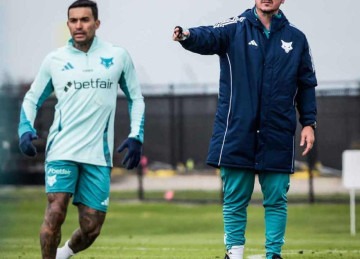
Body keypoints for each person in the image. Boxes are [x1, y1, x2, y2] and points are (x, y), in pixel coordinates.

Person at [173, 1, 317, 259]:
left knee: (276, 200)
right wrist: (187, 35)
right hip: (237, 132)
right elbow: (208, 35)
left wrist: (308, 122)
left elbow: (306, 84)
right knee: (235, 199)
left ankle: (274, 254)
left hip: (278, 133)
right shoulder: (234, 29)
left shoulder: (296, 38)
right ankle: (234, 254)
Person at [18, 0, 145, 258]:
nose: (79, 25)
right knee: (55, 211)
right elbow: (32, 98)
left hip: (98, 154)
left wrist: (136, 136)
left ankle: (65, 254)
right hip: (62, 149)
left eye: (85, 20)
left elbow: (136, 98)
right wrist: (24, 128)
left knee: (91, 227)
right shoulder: (54, 60)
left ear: (96, 24)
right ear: (68, 24)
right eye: (73, 20)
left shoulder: (118, 56)